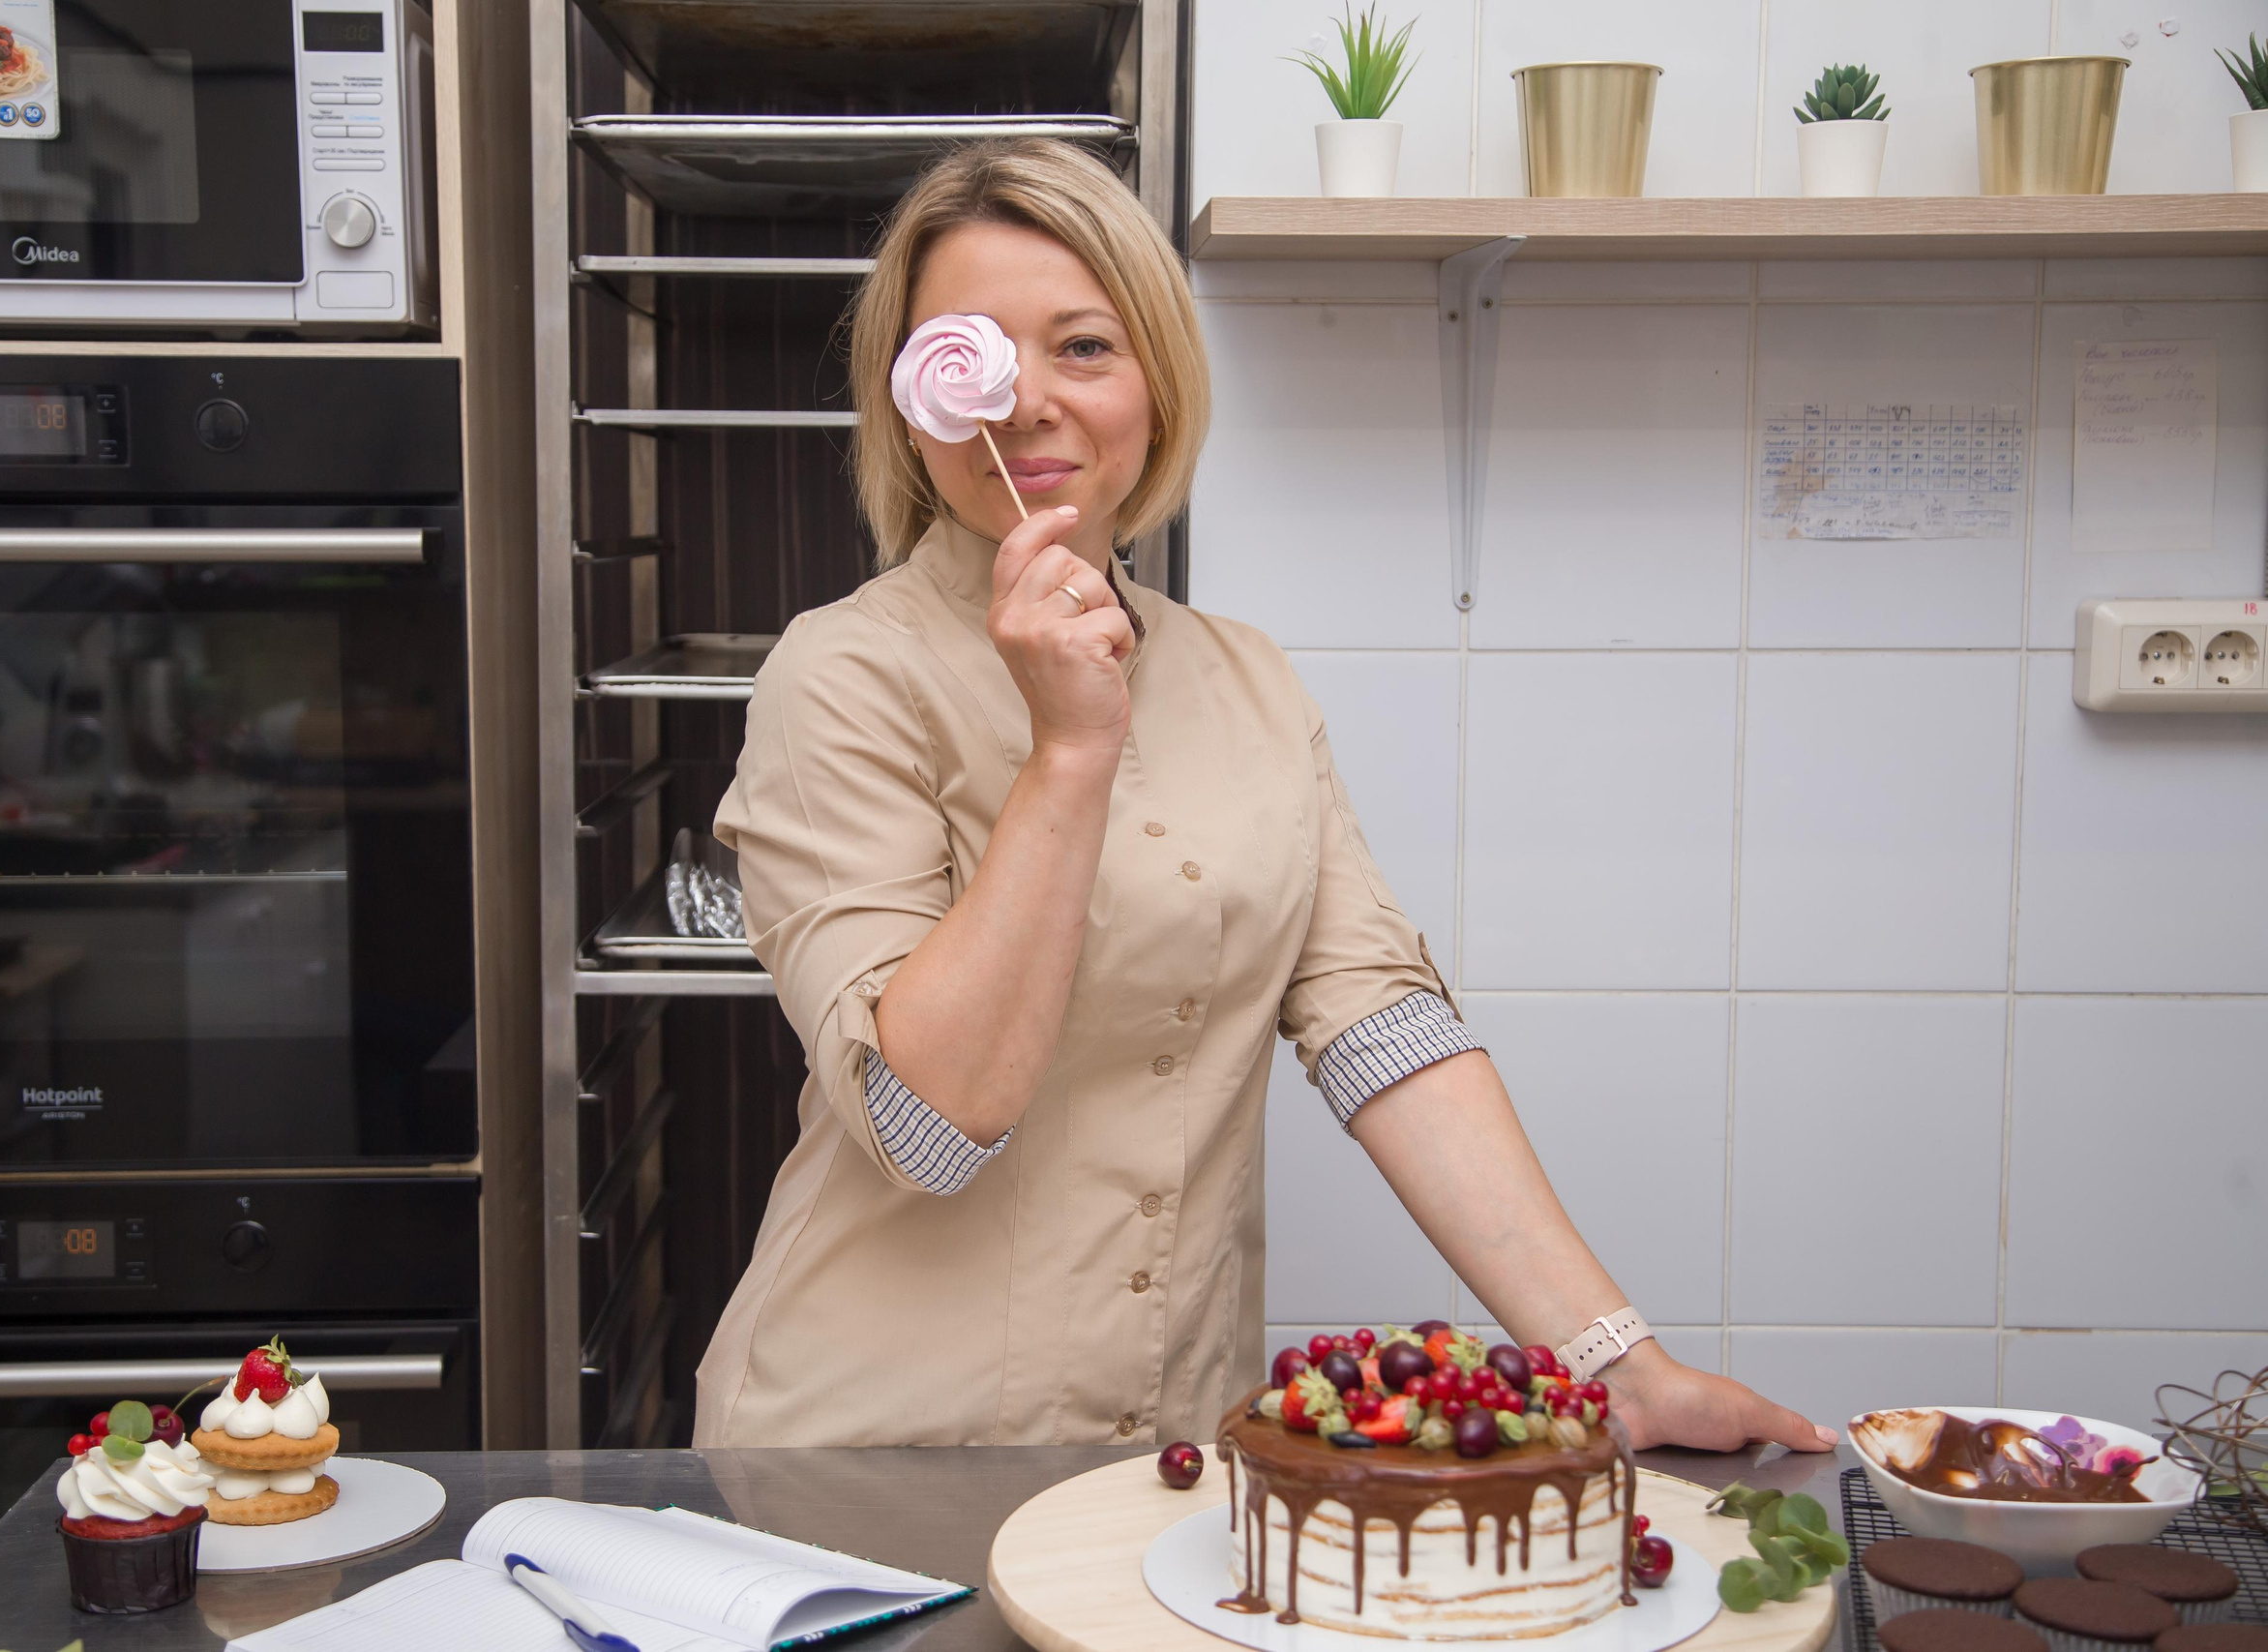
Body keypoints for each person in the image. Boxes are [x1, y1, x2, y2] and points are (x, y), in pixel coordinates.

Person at [697, 137, 1833, 1457]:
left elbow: (1380, 1026)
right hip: (866, 1452)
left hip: (1162, 1443)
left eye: (1084, 347)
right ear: (914, 405)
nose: (1029, 403)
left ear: (1159, 384)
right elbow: (928, 1128)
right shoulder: (841, 673)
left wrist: (1612, 1363)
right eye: (980, 356)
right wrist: (1068, 753)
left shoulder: (1247, 678)